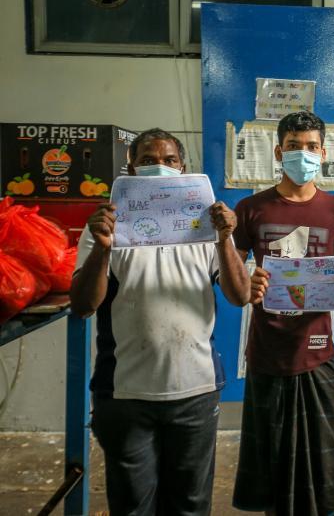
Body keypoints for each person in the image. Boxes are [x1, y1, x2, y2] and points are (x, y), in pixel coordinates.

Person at [70, 128, 251, 515]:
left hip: (196, 390)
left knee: (190, 504)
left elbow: (240, 295)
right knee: (133, 505)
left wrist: (225, 239)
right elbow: (84, 305)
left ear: (182, 167)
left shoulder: (206, 227)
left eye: (169, 160)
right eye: (148, 160)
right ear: (132, 168)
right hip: (126, 395)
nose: (160, 167)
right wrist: (103, 249)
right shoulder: (106, 225)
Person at [231, 111, 334, 516]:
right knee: (271, 462)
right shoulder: (250, 208)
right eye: (293, 146)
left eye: (311, 147)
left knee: (321, 461)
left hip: (318, 352)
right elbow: (232, 280)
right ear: (279, 152)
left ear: (323, 153)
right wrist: (247, 281)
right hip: (266, 352)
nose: (302, 154)